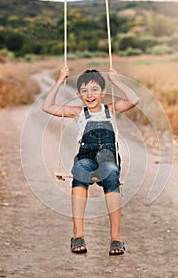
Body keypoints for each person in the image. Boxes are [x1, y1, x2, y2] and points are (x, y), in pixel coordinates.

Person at [42, 66, 139, 255]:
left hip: (108, 158)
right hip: (86, 158)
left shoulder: (110, 109)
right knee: (80, 169)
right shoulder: (78, 112)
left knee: (111, 172)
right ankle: (78, 235)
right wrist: (60, 81)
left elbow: (134, 100)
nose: (90, 94)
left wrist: (116, 81)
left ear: (103, 92)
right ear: (78, 94)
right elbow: (47, 107)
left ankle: (116, 238)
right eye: (84, 91)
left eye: (95, 89)